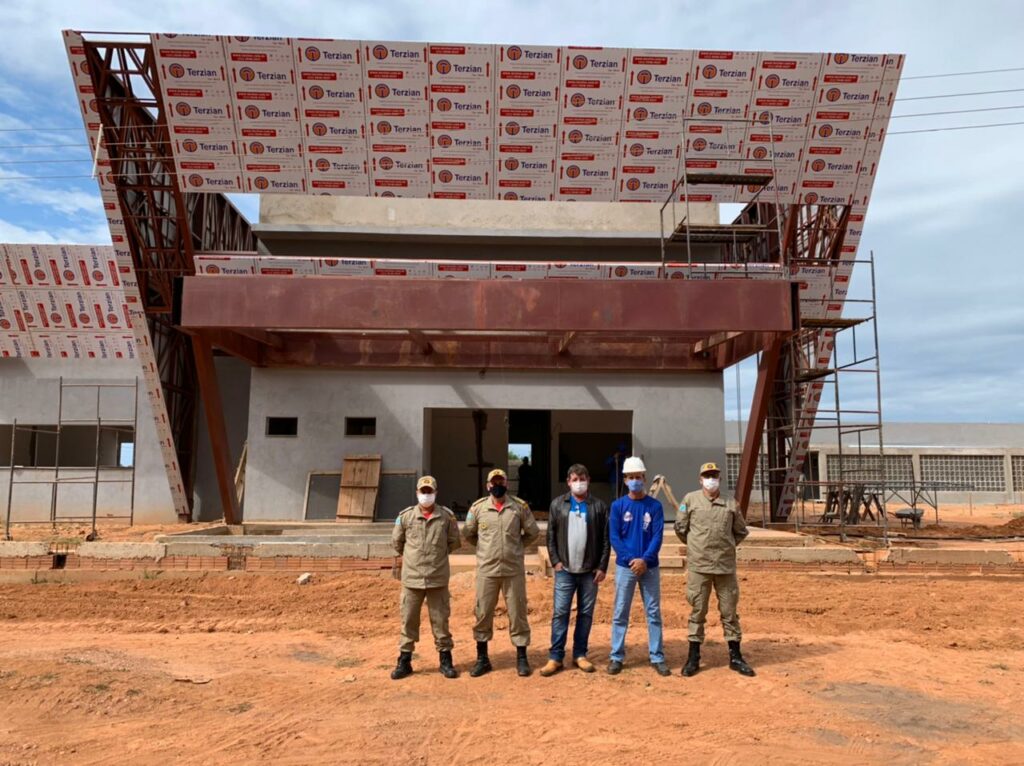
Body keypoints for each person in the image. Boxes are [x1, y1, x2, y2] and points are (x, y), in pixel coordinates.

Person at [674, 462, 755, 677]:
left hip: (725, 567)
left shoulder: (730, 503)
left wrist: (725, 547)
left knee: (729, 612)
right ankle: (693, 657)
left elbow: (740, 531)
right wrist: (696, 546)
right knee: (697, 611)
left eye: (714, 475)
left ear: (719, 479)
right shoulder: (690, 500)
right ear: (700, 479)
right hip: (699, 566)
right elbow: (681, 529)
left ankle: (736, 656)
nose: (711, 479)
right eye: (707, 475)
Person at [463, 468, 540, 677]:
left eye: (501, 481)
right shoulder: (478, 508)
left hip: (512, 570)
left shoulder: (519, 507)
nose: (497, 485)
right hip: (487, 570)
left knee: (518, 613)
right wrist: (483, 549)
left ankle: (522, 658)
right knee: (483, 613)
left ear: (507, 484)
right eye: (494, 482)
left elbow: (532, 532)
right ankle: (482, 659)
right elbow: (469, 533)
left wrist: (517, 547)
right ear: (488, 485)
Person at [540, 463, 610, 676]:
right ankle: (555, 657)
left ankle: (580, 654)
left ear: (588, 480)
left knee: (586, 614)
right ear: (568, 482)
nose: (578, 483)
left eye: (582, 479)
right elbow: (550, 536)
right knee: (560, 613)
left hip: (590, 571)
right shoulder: (558, 505)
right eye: (574, 479)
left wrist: (602, 566)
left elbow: (606, 540)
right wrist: (555, 562)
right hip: (565, 570)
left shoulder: (598, 506)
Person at [389, 475, 462, 680]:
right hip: (412, 579)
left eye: (430, 491)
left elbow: (453, 542)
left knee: (441, 622)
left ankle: (445, 660)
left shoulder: (446, 517)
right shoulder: (405, 517)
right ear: (417, 493)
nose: (426, 495)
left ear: (436, 493)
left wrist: (435, 556)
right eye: (423, 491)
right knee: (408, 621)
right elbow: (397, 543)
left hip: (437, 578)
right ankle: (404, 661)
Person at [607, 456, 669, 676]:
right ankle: (616, 656)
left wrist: (645, 559)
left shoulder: (654, 506)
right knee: (620, 612)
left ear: (644, 478)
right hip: (626, 567)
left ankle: (657, 656)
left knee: (653, 612)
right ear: (625, 480)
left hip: (649, 567)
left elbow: (657, 536)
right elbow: (614, 537)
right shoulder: (617, 506)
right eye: (631, 477)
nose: (635, 480)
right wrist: (632, 559)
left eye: (639, 477)